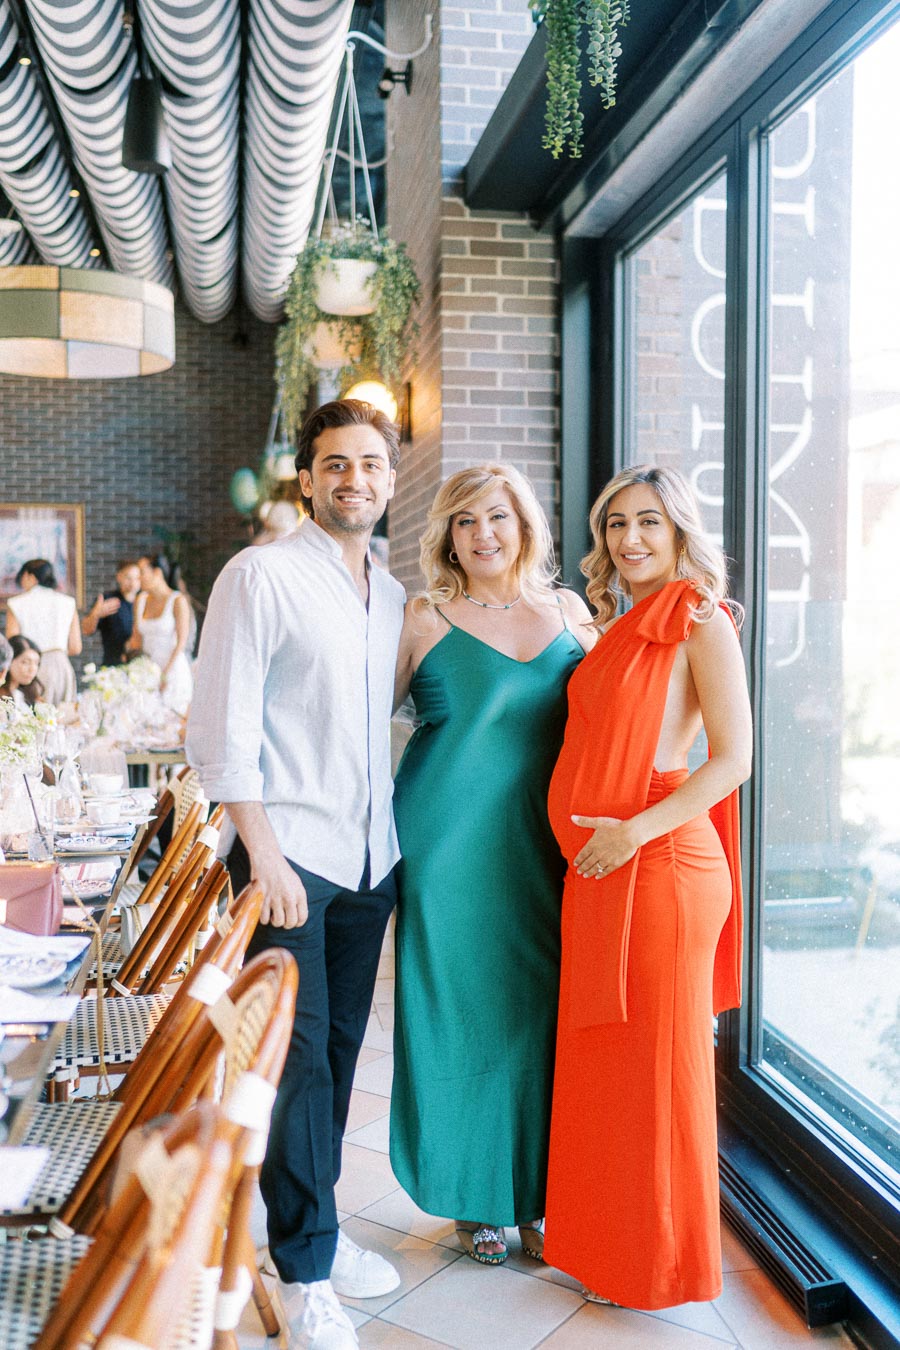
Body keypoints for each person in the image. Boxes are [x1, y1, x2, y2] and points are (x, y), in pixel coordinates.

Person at [186, 399, 405, 1350]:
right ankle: (308, 1266)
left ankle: (308, 1224)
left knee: (340, 1055)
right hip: (289, 860)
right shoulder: (261, 574)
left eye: (371, 462)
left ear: (389, 478)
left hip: (371, 860)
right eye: (335, 464)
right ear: (306, 479)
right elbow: (219, 731)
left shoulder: (393, 594)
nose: (354, 478)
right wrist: (262, 854)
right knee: (297, 1064)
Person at [544, 464, 752, 1310]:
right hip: (605, 869)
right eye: (616, 525)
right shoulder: (623, 623)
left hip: (663, 868)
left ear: (679, 534)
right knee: (610, 1069)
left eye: (648, 524)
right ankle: (612, 1251)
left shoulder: (700, 620)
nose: (629, 540)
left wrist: (631, 831)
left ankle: (661, 1267)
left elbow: (732, 759)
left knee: (660, 1072)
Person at [391, 464, 595, 1265]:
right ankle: (476, 1199)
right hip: (446, 848)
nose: (483, 534)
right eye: (466, 520)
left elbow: (636, 690)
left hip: (545, 847)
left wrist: (709, 617)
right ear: (446, 532)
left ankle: (539, 1192)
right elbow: (357, 717)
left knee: (537, 1018)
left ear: (525, 526)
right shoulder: (424, 615)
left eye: (498, 518)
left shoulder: (571, 612)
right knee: (457, 1020)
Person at [6, 559, 81, 704]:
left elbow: (14, 645)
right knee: (61, 720)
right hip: (61, 666)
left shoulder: (16, 603)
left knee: (33, 719)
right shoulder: (68, 602)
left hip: (30, 666)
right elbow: (75, 648)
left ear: (29, 576)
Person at [129, 553, 193, 715]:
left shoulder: (178, 601)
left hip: (172, 669)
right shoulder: (140, 600)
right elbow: (137, 638)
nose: (138, 579)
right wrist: (135, 667)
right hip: (148, 670)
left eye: (142, 573)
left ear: (157, 573)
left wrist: (165, 674)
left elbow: (181, 642)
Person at [81, 559, 141, 666]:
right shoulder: (108, 600)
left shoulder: (146, 601)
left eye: (137, 578)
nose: (133, 583)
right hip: (113, 667)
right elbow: (86, 630)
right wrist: (95, 614)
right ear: (119, 577)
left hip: (142, 667)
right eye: (128, 577)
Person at [0, 635, 45, 708]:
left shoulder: (30, 696)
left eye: (36, 663)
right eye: (25, 662)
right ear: (9, 661)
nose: (32, 669)